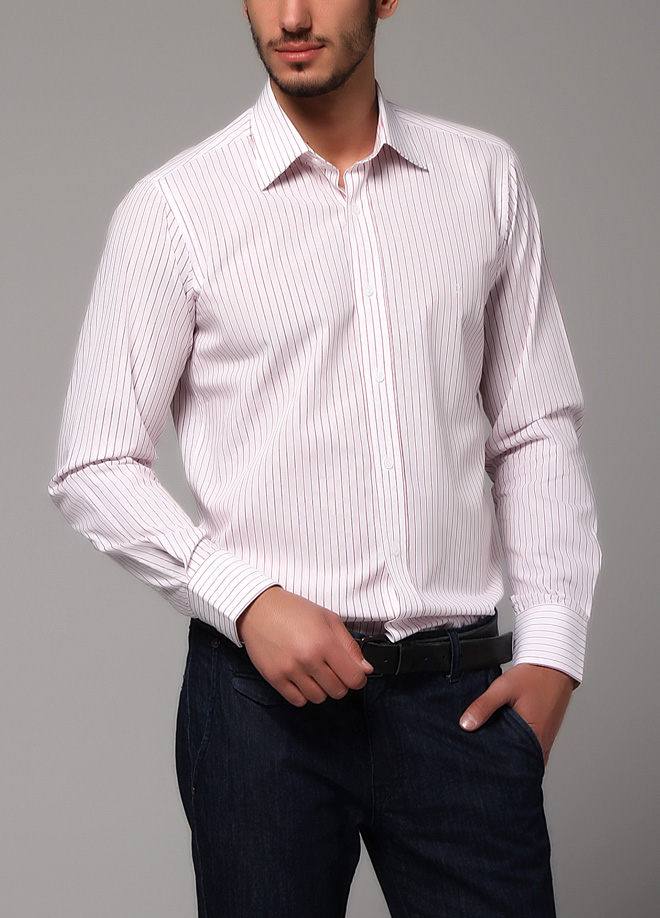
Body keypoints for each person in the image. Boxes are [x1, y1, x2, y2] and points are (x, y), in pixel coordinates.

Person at [49, 1, 601, 915]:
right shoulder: (176, 208)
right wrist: (247, 600)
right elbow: (94, 461)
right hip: (261, 711)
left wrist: (551, 652)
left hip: (458, 699)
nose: (293, 15)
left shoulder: (482, 179)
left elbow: (535, 425)